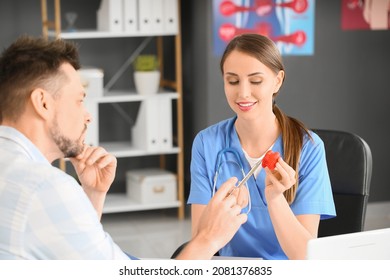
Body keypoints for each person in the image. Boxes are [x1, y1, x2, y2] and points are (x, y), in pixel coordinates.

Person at [0, 36, 248, 260]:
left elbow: (71, 253)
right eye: (79, 100)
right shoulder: (46, 187)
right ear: (43, 103)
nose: (88, 116)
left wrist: (92, 196)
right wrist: (209, 238)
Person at [188, 33, 336, 260]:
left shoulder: (310, 148)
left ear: (277, 81)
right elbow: (200, 243)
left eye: (256, 81)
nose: (243, 93)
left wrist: (275, 198)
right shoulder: (206, 144)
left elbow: (305, 258)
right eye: (233, 81)